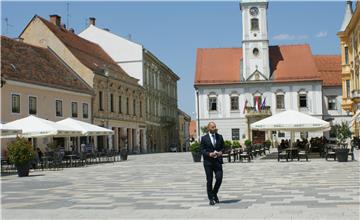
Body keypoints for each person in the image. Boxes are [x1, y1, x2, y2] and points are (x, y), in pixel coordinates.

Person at [200, 121, 224, 206]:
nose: (214, 128)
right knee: (209, 180)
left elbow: (223, 147)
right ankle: (211, 198)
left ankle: (214, 193)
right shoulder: (204, 138)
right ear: (209, 128)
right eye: (213, 127)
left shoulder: (220, 137)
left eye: (215, 127)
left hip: (217, 161)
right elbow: (202, 150)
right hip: (208, 163)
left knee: (219, 178)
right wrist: (209, 154)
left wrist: (221, 152)